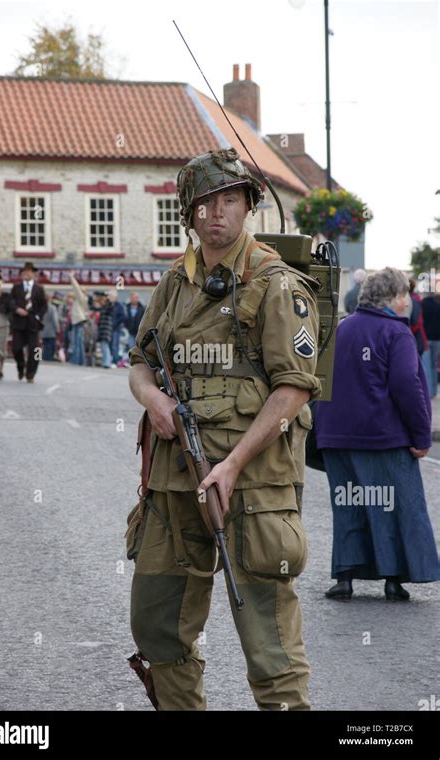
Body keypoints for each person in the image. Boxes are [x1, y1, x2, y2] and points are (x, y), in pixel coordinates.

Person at [127, 148, 322, 711]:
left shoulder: (277, 285)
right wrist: (153, 397)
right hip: (173, 479)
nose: (217, 213)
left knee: (269, 640)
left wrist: (233, 465)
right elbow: (139, 362)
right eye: (205, 203)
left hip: (255, 484)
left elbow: (294, 389)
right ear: (189, 214)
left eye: (229, 200)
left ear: (249, 207)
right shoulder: (174, 284)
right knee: (158, 626)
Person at [315, 268, 439, 602]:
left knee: (349, 505)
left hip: (336, 437)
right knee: (395, 507)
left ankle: (345, 578)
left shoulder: (340, 329)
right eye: (405, 295)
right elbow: (406, 386)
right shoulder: (396, 333)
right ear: (395, 298)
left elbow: (318, 381)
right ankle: (392, 580)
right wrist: (421, 437)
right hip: (383, 437)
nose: (408, 302)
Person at [9, 262, 47, 383]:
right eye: (24, 271)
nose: (26, 273)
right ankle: (21, 367)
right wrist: (17, 309)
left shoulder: (39, 288)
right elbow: (10, 303)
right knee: (16, 349)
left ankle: (31, 374)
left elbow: (44, 306)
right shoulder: (16, 288)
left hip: (33, 325)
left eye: (29, 271)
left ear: (33, 273)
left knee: (36, 351)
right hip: (19, 324)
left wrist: (37, 316)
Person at [421, 288, 440, 398]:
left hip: (426, 338)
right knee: (434, 364)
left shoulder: (422, 305)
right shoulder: (438, 305)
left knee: (426, 365)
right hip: (438, 338)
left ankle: (428, 391)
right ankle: (434, 391)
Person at [68, 271, 88, 366]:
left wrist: (72, 277)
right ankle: (81, 361)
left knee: (76, 342)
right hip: (78, 321)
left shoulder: (81, 297)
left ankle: (76, 360)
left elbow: (76, 288)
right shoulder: (80, 299)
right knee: (79, 342)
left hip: (78, 321)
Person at [107, 288, 125, 367]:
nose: (110, 298)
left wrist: (115, 323)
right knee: (109, 345)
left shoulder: (119, 306)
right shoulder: (108, 305)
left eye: (111, 296)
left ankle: (115, 361)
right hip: (108, 329)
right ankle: (111, 359)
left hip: (116, 329)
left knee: (115, 345)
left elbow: (122, 317)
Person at [96, 293, 113, 369]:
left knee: (105, 346)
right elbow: (92, 307)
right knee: (103, 346)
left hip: (106, 330)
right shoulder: (102, 308)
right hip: (102, 330)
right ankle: (105, 362)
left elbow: (110, 305)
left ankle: (107, 362)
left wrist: (107, 297)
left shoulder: (107, 307)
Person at [40, 293, 59, 361]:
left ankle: (44, 358)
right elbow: (55, 320)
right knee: (51, 347)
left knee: (44, 346)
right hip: (51, 331)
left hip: (42, 330)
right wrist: (57, 329)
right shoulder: (52, 308)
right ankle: (48, 359)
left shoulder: (40, 307)